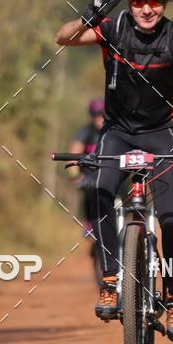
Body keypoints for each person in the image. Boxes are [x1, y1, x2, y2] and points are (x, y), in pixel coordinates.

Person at [55, 0, 173, 342]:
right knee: (97, 193)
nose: (148, 8)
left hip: (163, 135)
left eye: (156, 0)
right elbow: (62, 38)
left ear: (165, 2)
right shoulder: (112, 30)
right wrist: (86, 17)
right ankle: (111, 280)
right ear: (129, 1)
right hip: (118, 133)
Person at [68, 99, 105, 277]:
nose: (100, 119)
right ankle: (90, 223)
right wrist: (75, 175)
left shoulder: (113, 132)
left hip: (111, 175)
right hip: (90, 177)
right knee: (89, 191)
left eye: (103, 115)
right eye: (97, 116)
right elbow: (75, 152)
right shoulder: (85, 132)